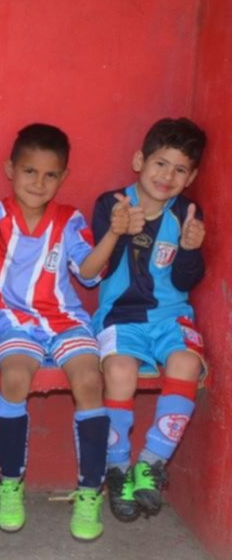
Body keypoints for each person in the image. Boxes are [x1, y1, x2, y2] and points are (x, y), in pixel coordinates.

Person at [0, 123, 119, 541]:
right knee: (15, 376)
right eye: (29, 171)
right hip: (11, 319)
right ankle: (10, 483)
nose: (39, 182)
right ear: (10, 169)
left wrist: (114, 234)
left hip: (63, 319)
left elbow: (88, 275)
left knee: (90, 379)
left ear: (63, 178)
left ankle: (91, 491)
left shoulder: (69, 220)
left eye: (50, 174)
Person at [92, 118, 207, 522]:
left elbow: (184, 279)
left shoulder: (186, 214)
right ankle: (118, 467)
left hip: (171, 316)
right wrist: (120, 231)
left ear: (190, 176)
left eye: (180, 169)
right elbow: (96, 269)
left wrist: (191, 250)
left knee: (187, 363)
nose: (167, 176)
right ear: (140, 160)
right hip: (119, 317)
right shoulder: (112, 204)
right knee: (120, 370)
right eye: (160, 163)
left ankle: (151, 463)